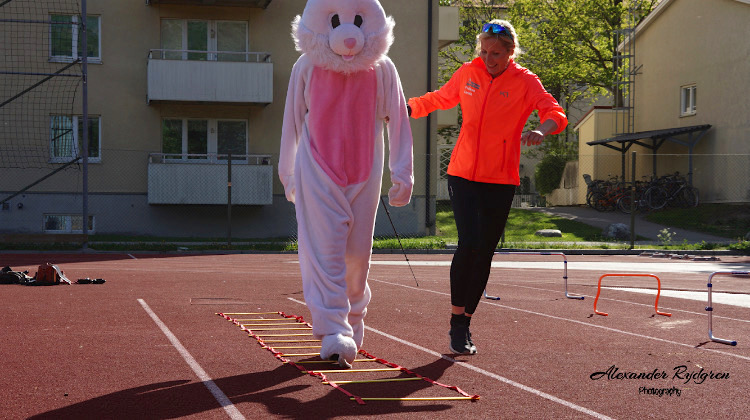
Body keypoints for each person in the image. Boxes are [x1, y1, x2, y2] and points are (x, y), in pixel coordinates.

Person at [407, 19, 567, 355]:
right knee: (469, 243)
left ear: (510, 52)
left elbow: (554, 111)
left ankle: (466, 322)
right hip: (463, 173)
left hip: (500, 178)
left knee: (485, 251)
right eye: (484, 51)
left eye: (495, 53)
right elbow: (441, 98)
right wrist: (407, 107)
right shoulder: (468, 72)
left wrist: (542, 130)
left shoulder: (525, 81)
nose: (488, 58)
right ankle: (455, 321)